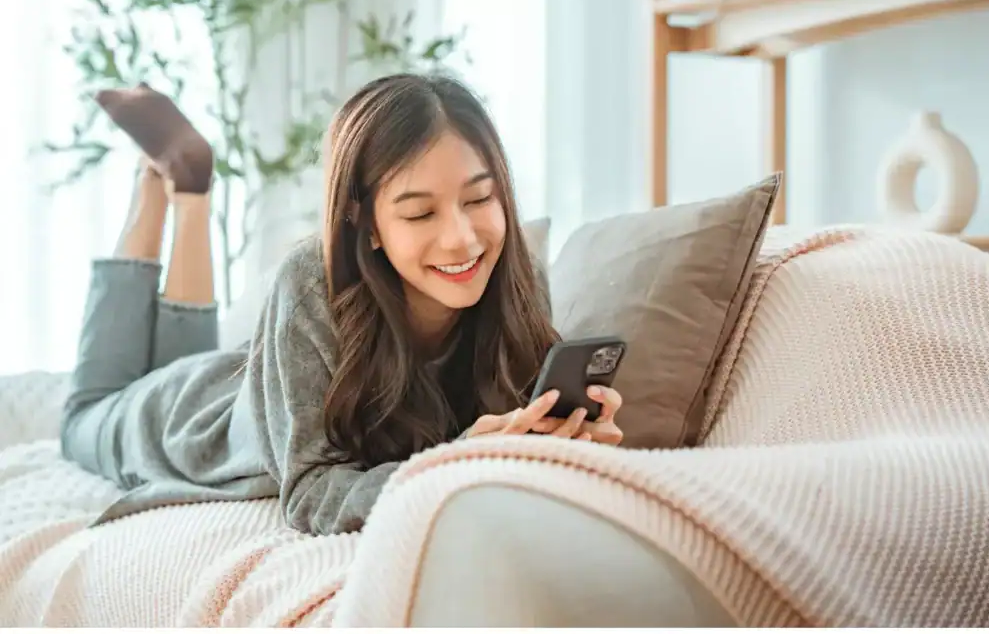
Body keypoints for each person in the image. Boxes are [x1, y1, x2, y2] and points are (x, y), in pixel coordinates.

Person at [60, 73, 625, 535]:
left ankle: (185, 186)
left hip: (243, 383)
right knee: (85, 411)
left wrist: (572, 448)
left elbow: (505, 441)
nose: (463, 238)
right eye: (420, 213)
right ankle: (161, 189)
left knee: (172, 367)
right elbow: (310, 494)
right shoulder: (313, 279)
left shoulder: (516, 277)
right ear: (366, 222)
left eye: (480, 198)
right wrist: (451, 465)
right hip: (184, 419)